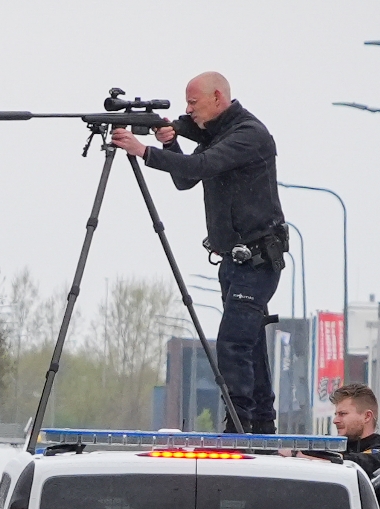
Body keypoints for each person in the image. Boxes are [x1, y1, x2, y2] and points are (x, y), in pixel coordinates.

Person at [111, 71, 285, 433]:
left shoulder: (246, 135)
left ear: (218, 98)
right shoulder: (217, 133)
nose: (187, 110)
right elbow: (185, 180)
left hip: (256, 261)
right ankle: (262, 425)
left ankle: (239, 425)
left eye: (193, 103)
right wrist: (171, 142)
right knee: (249, 345)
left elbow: (201, 166)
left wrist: (144, 150)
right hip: (234, 261)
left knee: (233, 343)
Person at [329, 384, 380, 488]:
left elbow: (366, 463)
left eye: (342, 414)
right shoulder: (338, 449)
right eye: (336, 414)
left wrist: (330, 459)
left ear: (367, 416)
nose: (335, 420)